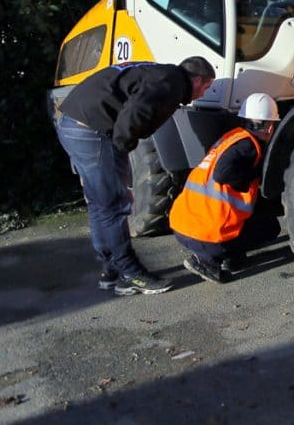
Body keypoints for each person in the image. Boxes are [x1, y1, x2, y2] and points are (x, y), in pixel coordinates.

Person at [56, 57, 216, 296]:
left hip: (72, 123)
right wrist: (121, 150)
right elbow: (135, 113)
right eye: (206, 87)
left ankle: (110, 270)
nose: (204, 93)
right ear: (197, 79)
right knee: (115, 204)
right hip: (92, 130)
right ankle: (131, 275)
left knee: (101, 203)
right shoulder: (171, 83)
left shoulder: (159, 72)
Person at [170, 93, 282, 284]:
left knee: (257, 214)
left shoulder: (232, 137)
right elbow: (222, 174)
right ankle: (209, 261)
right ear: (270, 127)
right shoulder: (249, 146)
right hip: (206, 235)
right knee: (270, 228)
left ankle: (229, 257)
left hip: (183, 225)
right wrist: (255, 176)